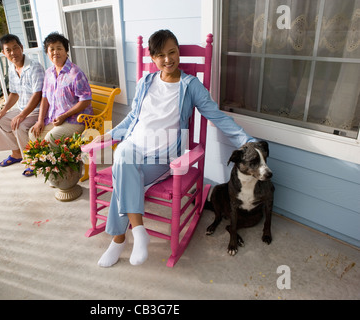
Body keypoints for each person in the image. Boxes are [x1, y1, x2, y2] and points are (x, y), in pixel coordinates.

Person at [93, 30, 258, 267]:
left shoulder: (190, 86)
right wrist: (108, 135)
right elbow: (132, 118)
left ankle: (119, 240)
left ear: (178, 51)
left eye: (172, 52)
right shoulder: (145, 82)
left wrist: (246, 141)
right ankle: (139, 232)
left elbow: (217, 117)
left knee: (122, 171)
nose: (168, 59)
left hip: (162, 158)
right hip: (134, 146)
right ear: (153, 58)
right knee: (122, 155)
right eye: (160, 55)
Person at [28, 32, 93, 173]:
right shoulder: (49, 73)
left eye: (59, 48)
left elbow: (85, 100)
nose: (55, 52)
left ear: (66, 51)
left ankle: (63, 174)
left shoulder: (75, 73)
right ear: (47, 52)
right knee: (33, 134)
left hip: (76, 120)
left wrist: (64, 116)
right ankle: (50, 171)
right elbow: (44, 97)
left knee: (51, 138)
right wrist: (40, 121)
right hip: (56, 119)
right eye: (51, 49)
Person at [0, 34, 45, 176]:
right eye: (8, 50)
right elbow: (14, 93)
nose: (13, 53)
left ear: (21, 48)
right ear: (4, 53)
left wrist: (22, 115)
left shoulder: (34, 67)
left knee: (20, 126)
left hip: (37, 111)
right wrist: (4, 110)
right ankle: (17, 154)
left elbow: (38, 94)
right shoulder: (12, 68)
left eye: (15, 48)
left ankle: (33, 161)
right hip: (22, 109)